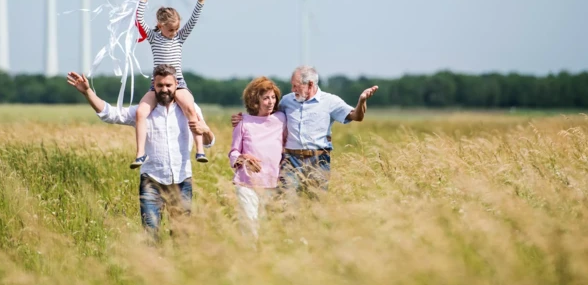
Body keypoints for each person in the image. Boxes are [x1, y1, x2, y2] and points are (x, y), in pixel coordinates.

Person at [67, 64, 216, 242]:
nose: (164, 90)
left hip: (182, 180)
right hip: (151, 181)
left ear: (176, 84)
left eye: (168, 85)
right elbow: (110, 114)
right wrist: (88, 93)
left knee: (182, 236)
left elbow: (209, 143)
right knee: (150, 235)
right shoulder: (143, 112)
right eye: (160, 86)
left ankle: (178, 269)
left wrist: (206, 130)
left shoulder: (191, 109)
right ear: (154, 85)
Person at [232, 65, 378, 199]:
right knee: (287, 204)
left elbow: (356, 116)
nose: (292, 89)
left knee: (316, 204)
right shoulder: (286, 101)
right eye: (292, 85)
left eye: (296, 86)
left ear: (310, 85)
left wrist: (362, 101)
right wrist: (244, 118)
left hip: (318, 160)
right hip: (291, 159)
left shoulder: (330, 101)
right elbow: (266, 117)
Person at [132, 0, 211, 169]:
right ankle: (140, 153)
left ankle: (200, 149)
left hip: (178, 82)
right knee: (140, 112)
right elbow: (140, 21)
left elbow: (193, 20)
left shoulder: (179, 37)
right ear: (160, 25)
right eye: (170, 29)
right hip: (157, 84)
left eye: (176, 29)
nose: (173, 32)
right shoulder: (153, 37)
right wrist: (143, 0)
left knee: (191, 110)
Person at [228, 77, 287, 240]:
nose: (270, 102)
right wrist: (242, 158)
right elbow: (233, 152)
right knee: (249, 226)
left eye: (273, 97)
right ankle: (249, 260)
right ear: (255, 100)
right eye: (266, 98)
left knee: (268, 229)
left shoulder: (281, 119)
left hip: (272, 183)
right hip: (247, 183)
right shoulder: (243, 122)